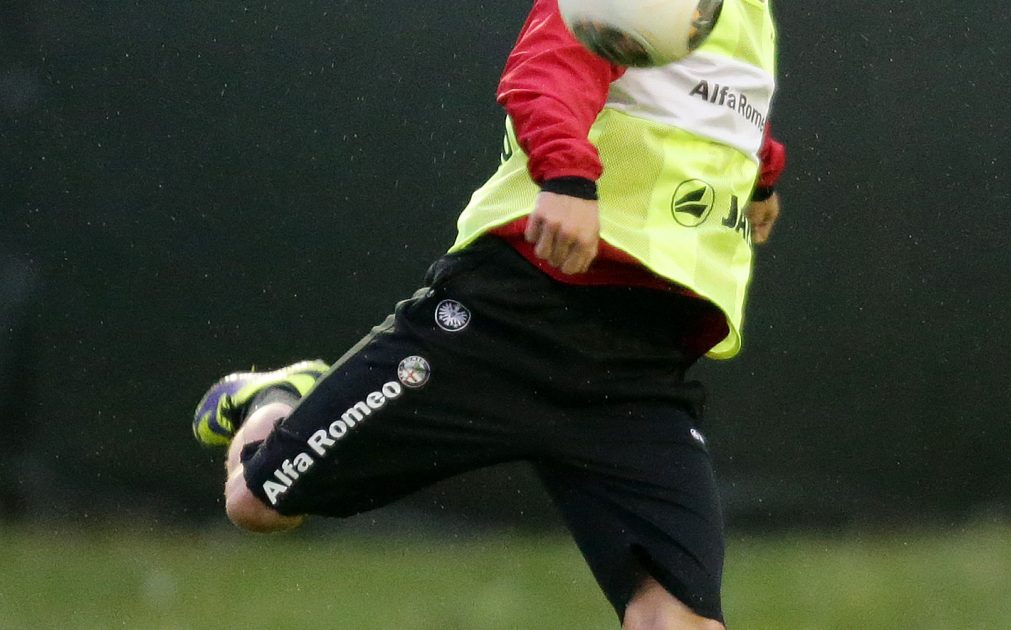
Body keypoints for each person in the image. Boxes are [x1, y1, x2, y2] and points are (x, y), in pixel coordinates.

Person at [192, 0, 784, 627]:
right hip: (509, 317)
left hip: (639, 369)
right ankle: (280, 396)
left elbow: (716, 100)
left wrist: (762, 175)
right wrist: (568, 180)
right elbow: (545, 74)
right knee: (256, 504)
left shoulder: (748, 14)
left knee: (680, 620)